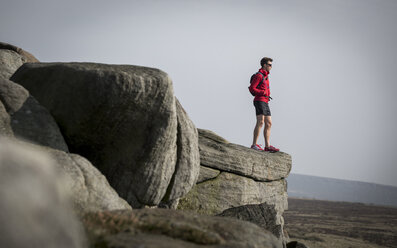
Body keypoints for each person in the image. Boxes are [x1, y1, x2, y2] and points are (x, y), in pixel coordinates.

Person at [249, 57, 280, 152]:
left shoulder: (266, 76)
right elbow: (251, 88)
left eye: (271, 65)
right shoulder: (259, 75)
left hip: (265, 102)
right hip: (259, 100)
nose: (271, 67)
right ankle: (254, 144)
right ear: (264, 65)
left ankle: (267, 146)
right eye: (270, 65)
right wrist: (263, 92)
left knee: (269, 123)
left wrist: (266, 94)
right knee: (261, 122)